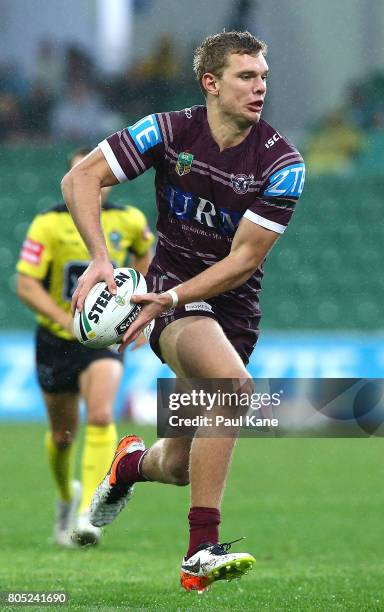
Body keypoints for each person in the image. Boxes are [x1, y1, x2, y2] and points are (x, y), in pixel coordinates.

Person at [62, 31, 305, 590]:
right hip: (167, 297)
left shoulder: (282, 164)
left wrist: (173, 297)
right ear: (211, 83)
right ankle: (201, 551)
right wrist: (101, 259)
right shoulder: (168, 131)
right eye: (246, 76)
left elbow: (244, 260)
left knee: (175, 465)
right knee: (232, 388)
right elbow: (81, 177)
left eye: (264, 76)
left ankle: (128, 466)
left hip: (232, 313)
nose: (259, 86)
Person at [16, 148, 154, 547]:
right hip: (55, 339)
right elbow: (26, 284)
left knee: (99, 413)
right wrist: (71, 324)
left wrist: (140, 311)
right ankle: (66, 497)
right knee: (61, 436)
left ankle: (87, 516)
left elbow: (147, 260)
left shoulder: (129, 220)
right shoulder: (48, 224)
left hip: (102, 342)